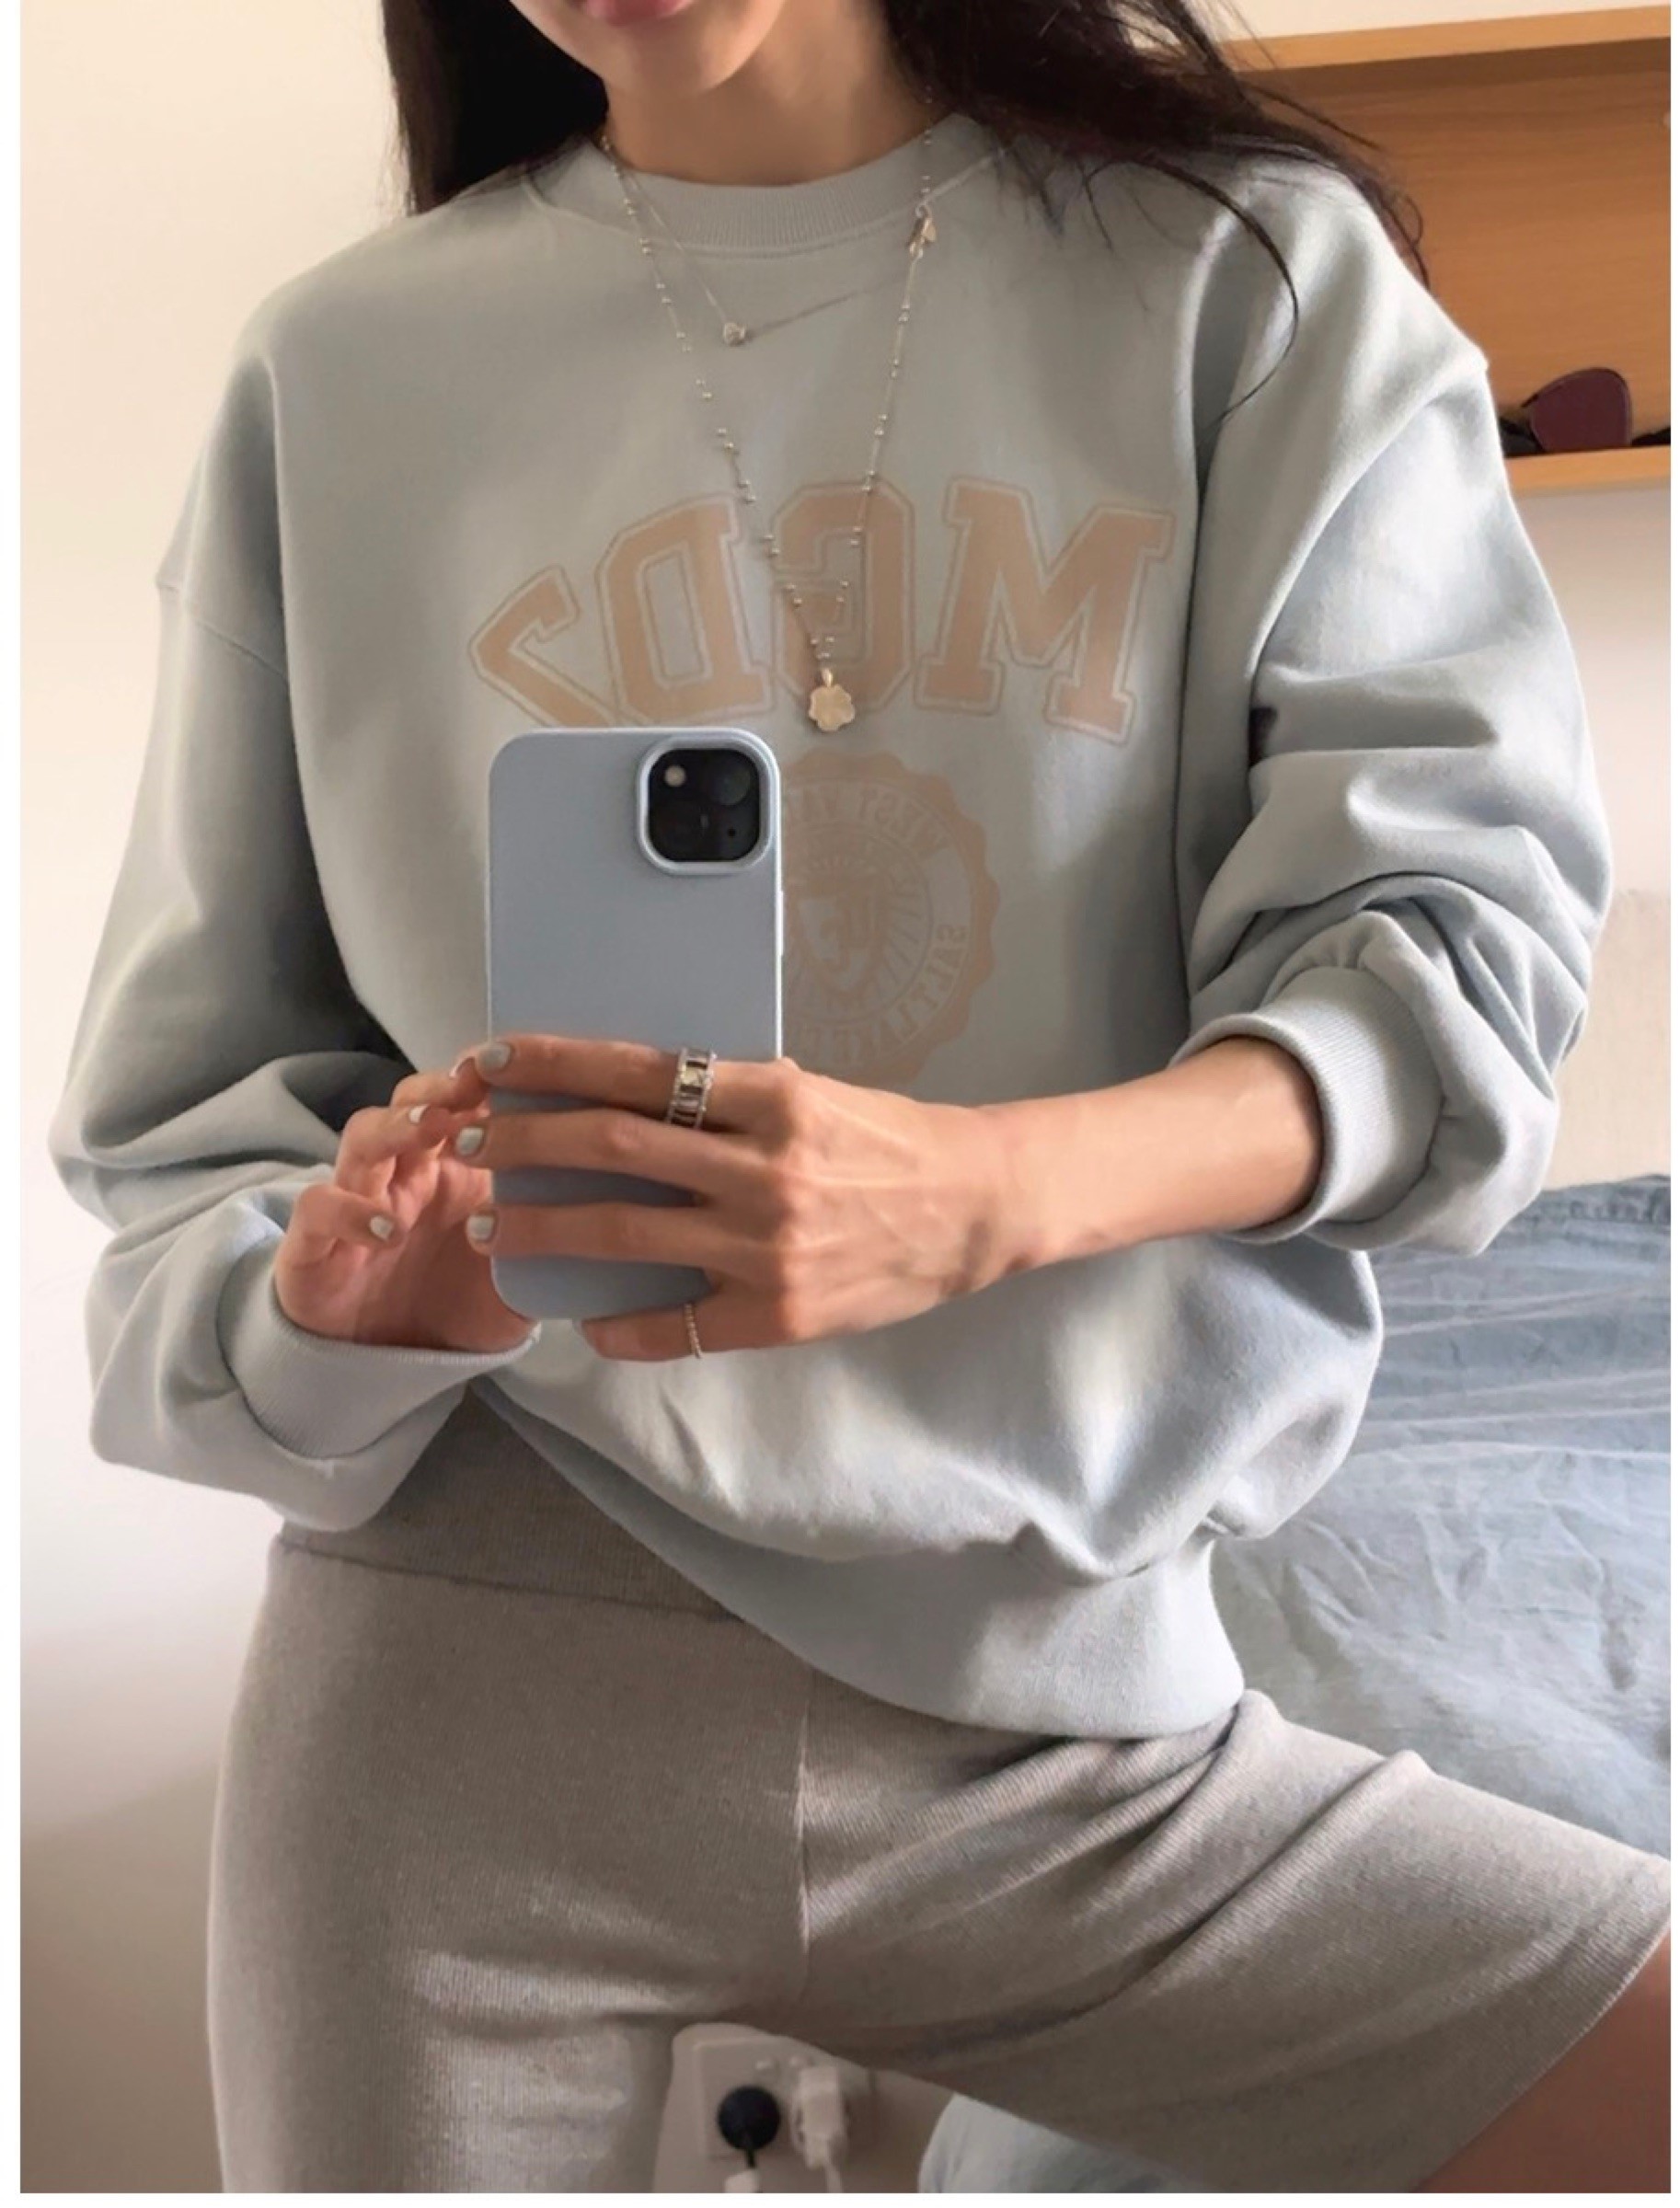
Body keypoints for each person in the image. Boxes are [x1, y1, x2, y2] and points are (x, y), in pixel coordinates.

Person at [49, 0, 1669, 2191]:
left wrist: (988, 1192)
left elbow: (1447, 968)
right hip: (462, 1720)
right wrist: (335, 1309)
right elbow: (185, 1134)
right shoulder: (340, 371)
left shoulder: (1247, 282)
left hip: (1078, 1730)